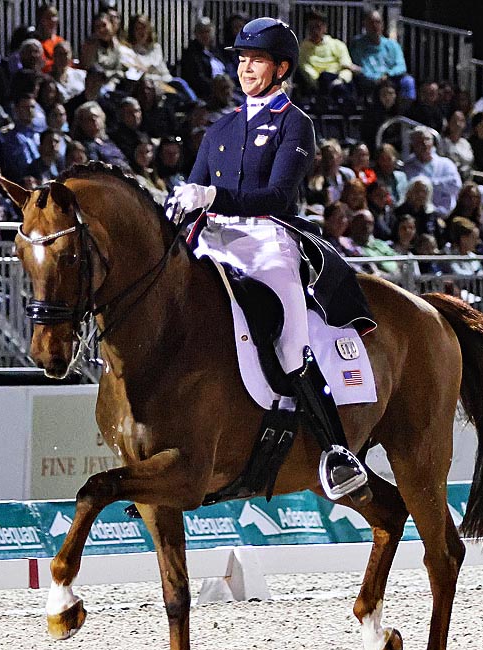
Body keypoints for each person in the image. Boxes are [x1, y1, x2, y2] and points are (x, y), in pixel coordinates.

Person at [172, 17, 368, 498]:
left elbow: (278, 196)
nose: (245, 68)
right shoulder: (220, 128)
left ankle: (335, 450)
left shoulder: (294, 123)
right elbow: (196, 187)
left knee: (290, 337)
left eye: (256, 60)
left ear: (281, 68)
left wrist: (211, 196)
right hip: (212, 238)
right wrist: (180, 203)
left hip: (266, 240)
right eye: (242, 59)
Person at [347, 10, 414, 100]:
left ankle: (403, 109)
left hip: (390, 77)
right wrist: (377, 78)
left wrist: (387, 74)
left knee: (408, 81)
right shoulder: (358, 44)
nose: (375, 26)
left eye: (378, 22)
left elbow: (401, 66)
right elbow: (361, 66)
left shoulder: (392, 44)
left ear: (382, 25)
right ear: (365, 25)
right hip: (371, 79)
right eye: (371, 23)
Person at [298, 10, 359, 105]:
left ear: (325, 28)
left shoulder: (338, 45)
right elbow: (306, 69)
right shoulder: (303, 49)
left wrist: (340, 80)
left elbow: (346, 66)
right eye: (311, 27)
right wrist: (318, 82)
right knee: (324, 77)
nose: (315, 31)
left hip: (339, 80)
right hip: (320, 82)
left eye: (318, 26)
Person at [403, 126, 461, 217]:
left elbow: (456, 185)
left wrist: (428, 183)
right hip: (420, 215)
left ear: (433, 142)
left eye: (427, 139)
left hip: (447, 215)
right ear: (413, 145)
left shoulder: (446, 163)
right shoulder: (407, 167)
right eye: (419, 141)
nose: (424, 143)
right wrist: (442, 184)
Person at [178, 17, 229, 100]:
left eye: (207, 31)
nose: (205, 35)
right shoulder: (191, 53)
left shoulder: (216, 51)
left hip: (226, 89)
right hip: (208, 94)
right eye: (201, 32)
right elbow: (197, 79)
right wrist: (217, 87)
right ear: (196, 34)